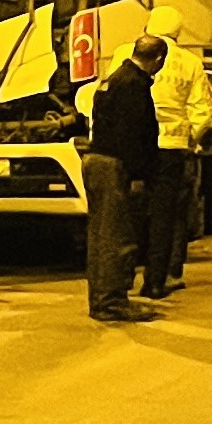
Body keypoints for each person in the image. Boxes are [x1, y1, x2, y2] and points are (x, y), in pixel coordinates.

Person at [84, 25, 163, 321]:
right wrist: (139, 174)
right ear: (158, 60)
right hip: (114, 166)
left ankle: (103, 299)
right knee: (116, 237)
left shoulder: (114, 78)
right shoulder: (134, 84)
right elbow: (132, 135)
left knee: (102, 236)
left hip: (98, 160)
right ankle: (111, 303)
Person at [145, 5, 212, 295]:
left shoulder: (127, 54)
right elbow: (202, 111)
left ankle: (126, 273)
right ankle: (168, 274)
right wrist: (192, 140)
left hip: (139, 146)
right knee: (172, 215)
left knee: (135, 213)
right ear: (178, 31)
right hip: (174, 147)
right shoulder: (190, 62)